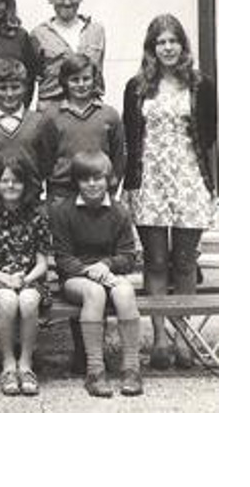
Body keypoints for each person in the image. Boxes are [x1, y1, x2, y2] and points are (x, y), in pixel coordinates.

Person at [122, 14, 217, 370]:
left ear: (183, 45)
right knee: (157, 261)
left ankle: (184, 339)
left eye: (173, 41)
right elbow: (132, 139)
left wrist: (208, 182)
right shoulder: (137, 87)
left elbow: (209, 135)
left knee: (184, 263)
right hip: (151, 181)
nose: (168, 48)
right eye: (161, 42)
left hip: (189, 179)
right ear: (151, 48)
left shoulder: (200, 85)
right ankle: (160, 338)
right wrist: (130, 185)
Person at [50, 151, 143, 397]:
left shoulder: (119, 211)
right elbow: (63, 258)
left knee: (125, 292)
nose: (92, 184)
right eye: (85, 179)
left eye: (98, 178)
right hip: (77, 279)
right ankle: (95, 371)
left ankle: (131, 368)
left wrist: (106, 265)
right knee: (95, 292)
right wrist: (90, 271)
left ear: (108, 179)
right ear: (76, 182)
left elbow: (128, 256)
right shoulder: (63, 211)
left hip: (108, 274)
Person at [0, 156, 50, 396]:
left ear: (26, 184)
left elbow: (42, 263)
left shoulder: (37, 216)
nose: (10, 186)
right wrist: (6, 280)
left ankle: (26, 364)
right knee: (8, 301)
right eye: (5, 180)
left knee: (28, 301)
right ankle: (8, 364)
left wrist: (26, 280)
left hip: (31, 279)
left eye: (16, 181)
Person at [44, 53, 125, 204]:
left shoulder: (109, 115)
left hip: (98, 194)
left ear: (94, 80)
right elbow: (45, 158)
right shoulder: (51, 116)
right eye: (74, 80)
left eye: (86, 79)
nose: (81, 84)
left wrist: (111, 189)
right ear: (64, 82)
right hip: (62, 195)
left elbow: (118, 158)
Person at [0, 58, 54, 191]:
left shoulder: (38, 121)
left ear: (25, 88)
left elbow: (46, 163)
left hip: (30, 199)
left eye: (15, 87)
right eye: (3, 88)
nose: (9, 94)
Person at [30, 0, 107, 110]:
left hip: (89, 108)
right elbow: (33, 76)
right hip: (52, 107)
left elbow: (98, 72)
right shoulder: (38, 34)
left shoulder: (96, 31)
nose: (67, 2)